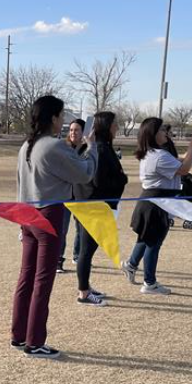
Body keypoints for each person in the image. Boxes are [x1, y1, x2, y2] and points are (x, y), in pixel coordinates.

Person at [13, 96, 97, 358]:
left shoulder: (27, 144)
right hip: (48, 214)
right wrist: (91, 148)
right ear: (52, 118)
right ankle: (35, 341)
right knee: (42, 279)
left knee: (27, 276)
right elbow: (84, 173)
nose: (63, 121)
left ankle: (18, 335)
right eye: (61, 116)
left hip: (26, 213)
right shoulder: (52, 146)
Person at [121, 118, 192, 295]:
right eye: (162, 130)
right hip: (156, 203)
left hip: (153, 201)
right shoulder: (159, 156)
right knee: (153, 243)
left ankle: (131, 265)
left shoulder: (152, 153)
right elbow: (184, 170)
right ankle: (149, 283)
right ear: (153, 134)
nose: (166, 133)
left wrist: (190, 153)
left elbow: (180, 163)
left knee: (146, 238)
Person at [73, 112, 128, 306]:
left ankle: (85, 286)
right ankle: (84, 293)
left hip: (91, 205)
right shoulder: (100, 149)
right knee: (86, 251)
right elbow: (97, 180)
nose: (117, 128)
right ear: (106, 127)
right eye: (115, 124)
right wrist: (122, 178)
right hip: (93, 207)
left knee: (88, 250)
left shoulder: (99, 147)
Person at [56, 118, 87, 273]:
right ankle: (58, 260)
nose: (73, 133)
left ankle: (78, 256)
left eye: (77, 130)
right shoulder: (63, 147)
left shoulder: (88, 148)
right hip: (65, 195)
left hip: (81, 195)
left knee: (81, 229)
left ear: (84, 132)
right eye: (71, 130)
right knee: (62, 229)